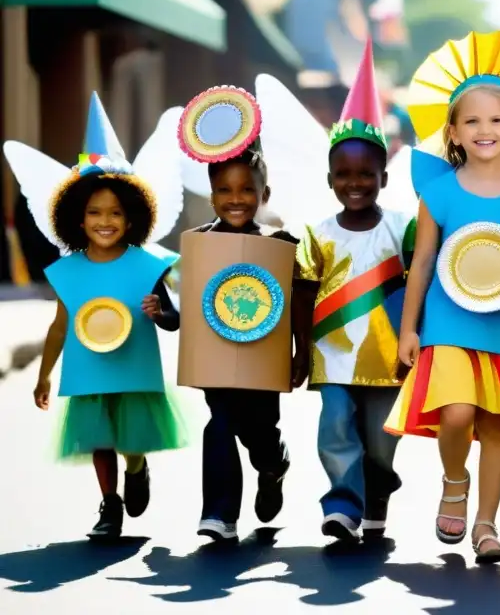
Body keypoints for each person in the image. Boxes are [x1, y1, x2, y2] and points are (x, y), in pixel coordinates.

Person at [384, 30, 500, 564]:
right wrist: (408, 328)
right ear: (453, 131)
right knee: (457, 413)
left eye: (496, 120)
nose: (484, 129)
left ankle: (487, 525)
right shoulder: (438, 190)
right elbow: (421, 261)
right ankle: (453, 480)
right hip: (447, 320)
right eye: (471, 120)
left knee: (496, 425)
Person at [178, 87, 314, 544]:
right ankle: (219, 514)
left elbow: (296, 300)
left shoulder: (279, 244)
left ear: (263, 193)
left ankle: (273, 465)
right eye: (224, 191)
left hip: (261, 362)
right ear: (212, 194)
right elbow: (188, 309)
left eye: (246, 191)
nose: (235, 199)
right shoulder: (199, 242)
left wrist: (301, 352)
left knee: (259, 433)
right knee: (219, 424)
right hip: (217, 362)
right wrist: (163, 313)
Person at [294, 40, 414, 544]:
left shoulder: (404, 229)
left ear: (384, 177)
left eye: (367, 173)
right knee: (336, 429)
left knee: (381, 442)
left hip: (388, 358)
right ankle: (343, 502)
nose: (356, 182)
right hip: (333, 356)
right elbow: (302, 294)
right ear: (330, 179)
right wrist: (300, 351)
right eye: (344, 174)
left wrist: (419, 343)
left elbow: (421, 286)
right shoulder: (317, 233)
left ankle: (378, 491)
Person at [34, 153, 187, 539]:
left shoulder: (148, 266)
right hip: (88, 368)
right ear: (78, 219)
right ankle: (109, 504)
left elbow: (175, 319)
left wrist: (159, 313)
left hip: (133, 367)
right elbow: (58, 327)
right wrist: (43, 377)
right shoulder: (67, 272)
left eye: (115, 213)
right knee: (100, 437)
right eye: (95, 213)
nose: (105, 222)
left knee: (129, 436)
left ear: (132, 218)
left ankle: (136, 468)